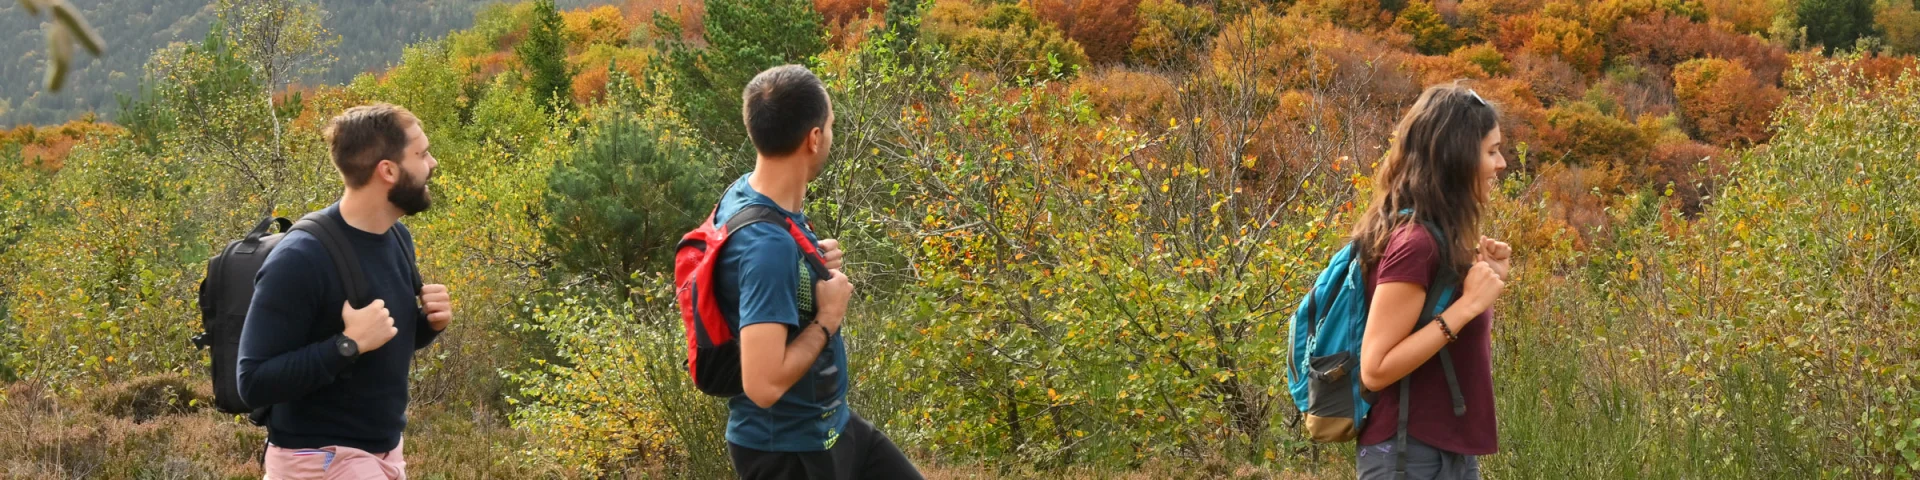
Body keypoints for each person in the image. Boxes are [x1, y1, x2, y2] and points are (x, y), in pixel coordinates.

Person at [714, 64, 923, 480]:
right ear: (814, 138)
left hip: (832, 429)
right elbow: (763, 385)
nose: (830, 134)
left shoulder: (751, 194)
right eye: (829, 125)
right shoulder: (766, 246)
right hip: (788, 454)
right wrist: (828, 319)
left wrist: (809, 264)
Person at [237, 103, 454, 480]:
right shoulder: (301, 258)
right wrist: (347, 344)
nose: (432, 163)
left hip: (381, 455)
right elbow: (252, 382)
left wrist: (427, 324)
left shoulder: (396, 237)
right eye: (421, 154)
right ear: (387, 170)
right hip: (319, 462)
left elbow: (379, 342)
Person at [1352, 83, 1513, 480]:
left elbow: (1443, 346)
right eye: (1491, 151)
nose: (1503, 163)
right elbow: (1375, 368)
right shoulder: (1415, 244)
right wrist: (1467, 306)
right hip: (1407, 457)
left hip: (1444, 452)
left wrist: (1485, 285)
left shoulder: (1440, 238)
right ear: (1455, 157)